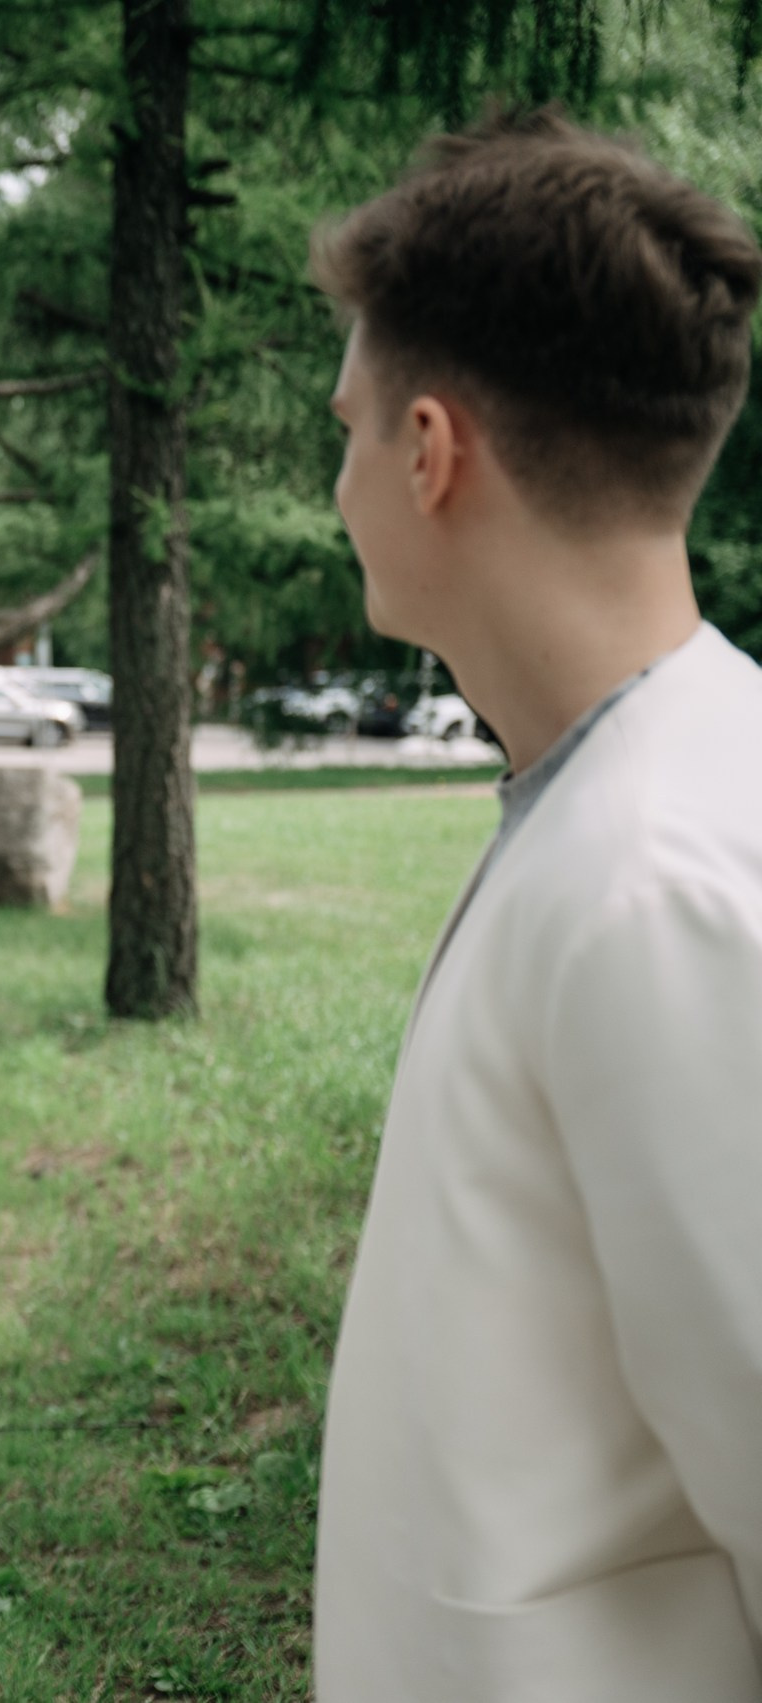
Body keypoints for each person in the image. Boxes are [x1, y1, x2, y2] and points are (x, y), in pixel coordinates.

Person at [311, 113, 762, 1699]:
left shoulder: (662, 880)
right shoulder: (620, 792)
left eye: (350, 427)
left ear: (431, 453)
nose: (342, 480)